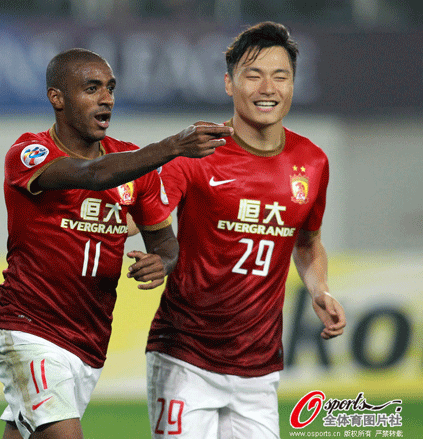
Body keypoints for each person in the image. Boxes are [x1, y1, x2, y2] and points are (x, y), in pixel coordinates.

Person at [0, 48, 233, 439]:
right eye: (91, 88)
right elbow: (92, 174)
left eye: (110, 88)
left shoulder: (134, 165)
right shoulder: (30, 153)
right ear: (58, 98)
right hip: (29, 328)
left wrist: (163, 262)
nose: (107, 98)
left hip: (88, 339)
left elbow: (165, 243)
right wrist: (171, 147)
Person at [144, 22, 347, 438]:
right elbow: (140, 214)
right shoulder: (197, 153)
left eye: (280, 76)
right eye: (253, 75)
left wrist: (320, 290)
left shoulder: (312, 162)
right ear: (228, 83)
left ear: (293, 84)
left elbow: (307, 243)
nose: (267, 87)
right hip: (185, 358)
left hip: (259, 369)